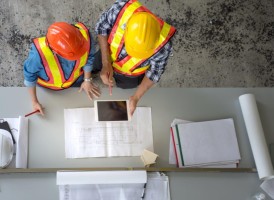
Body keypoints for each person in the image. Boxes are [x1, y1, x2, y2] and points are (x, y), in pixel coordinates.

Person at [95, 0, 176, 116]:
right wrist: (105, 62)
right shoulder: (120, 11)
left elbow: (154, 73)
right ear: (126, 30)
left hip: (130, 76)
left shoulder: (164, 46)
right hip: (106, 55)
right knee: (94, 65)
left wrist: (136, 97)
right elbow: (101, 28)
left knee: (123, 86)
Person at [24, 22, 100, 115]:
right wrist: (34, 102)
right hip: (49, 88)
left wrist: (87, 80)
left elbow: (89, 58)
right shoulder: (38, 54)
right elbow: (29, 77)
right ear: (55, 52)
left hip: (76, 79)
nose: (78, 57)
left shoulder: (85, 39)